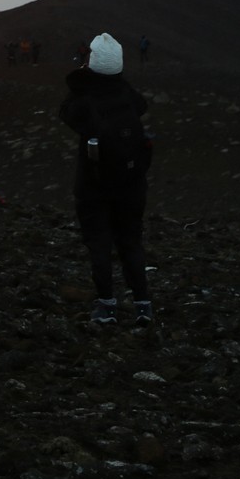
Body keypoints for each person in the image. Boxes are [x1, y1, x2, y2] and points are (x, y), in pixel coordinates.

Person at [59, 32, 152, 326]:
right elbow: (142, 106)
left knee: (99, 244)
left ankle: (107, 307)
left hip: (94, 186)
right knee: (131, 243)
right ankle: (143, 306)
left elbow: (66, 113)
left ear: (93, 62)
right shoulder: (127, 95)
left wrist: (81, 79)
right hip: (131, 184)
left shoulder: (85, 99)